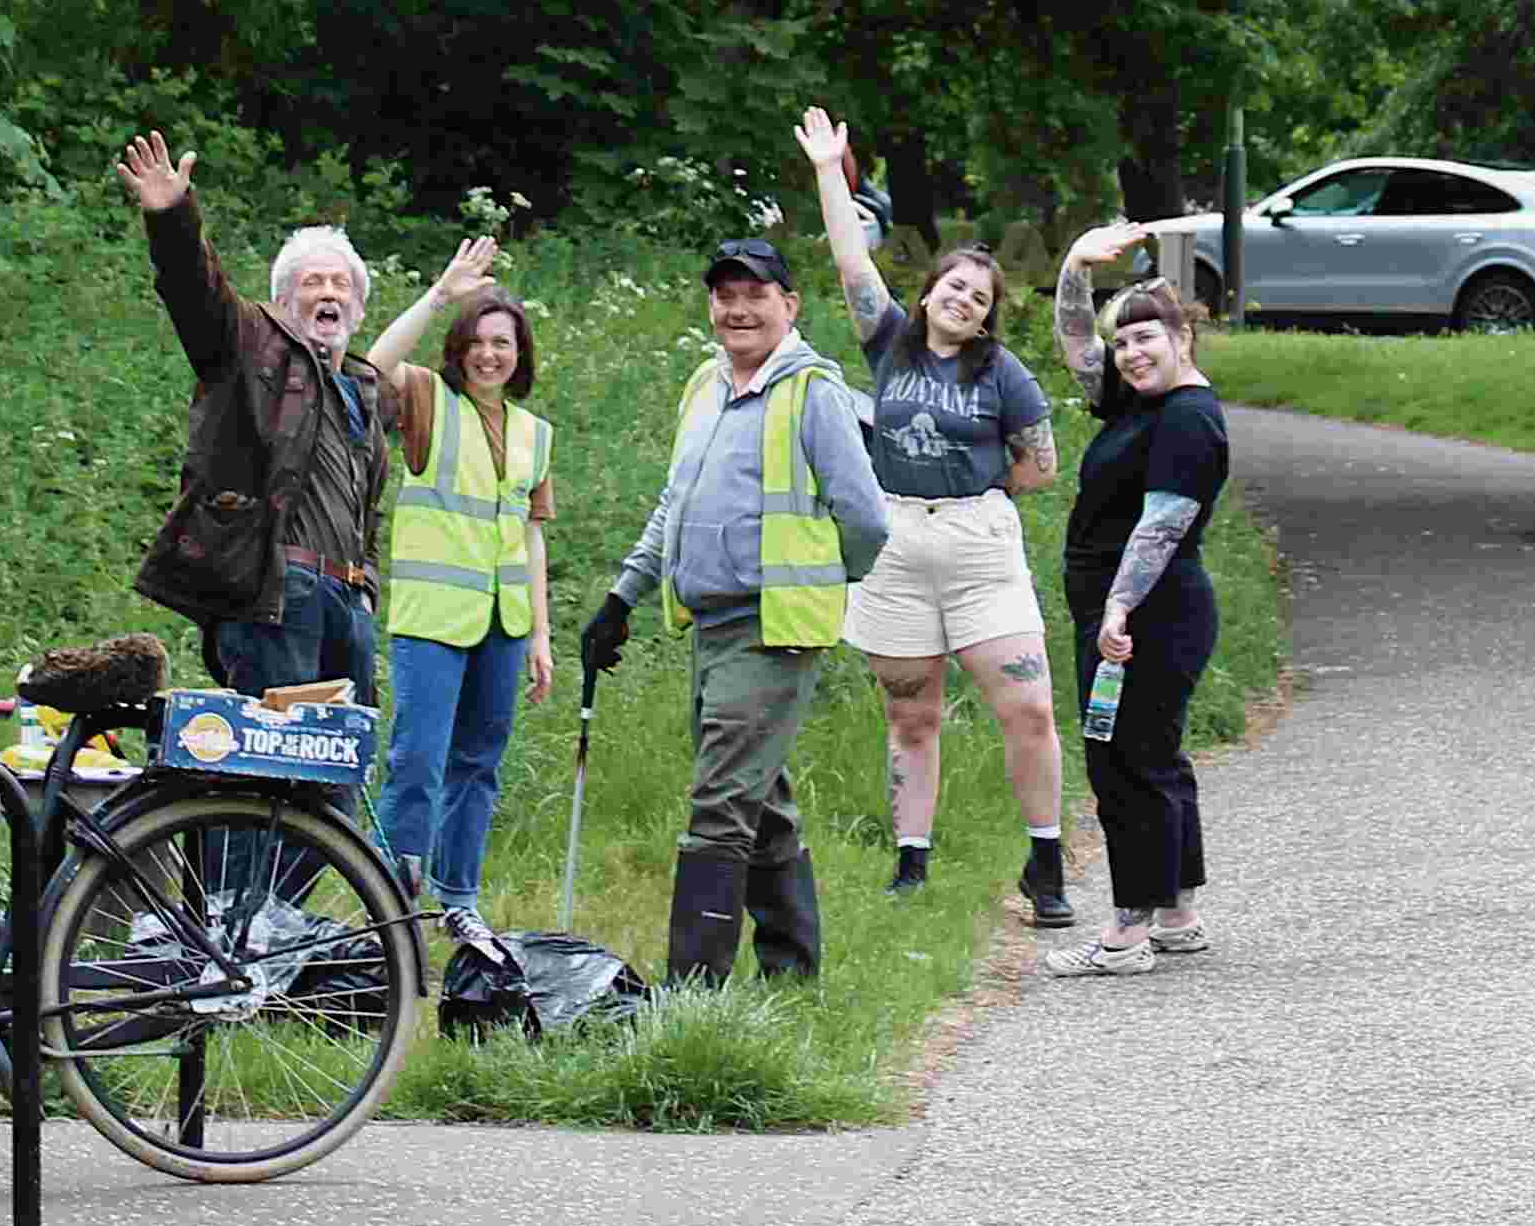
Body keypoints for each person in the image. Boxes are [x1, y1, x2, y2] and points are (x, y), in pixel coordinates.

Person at [581, 237, 890, 985]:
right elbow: (673, 504)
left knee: (720, 802)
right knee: (761, 798)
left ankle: (692, 998)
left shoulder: (813, 389)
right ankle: (791, 970)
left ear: (790, 305)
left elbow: (867, 519)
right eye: (725, 294)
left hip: (772, 629)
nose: (738, 308)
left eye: (756, 293)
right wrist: (621, 597)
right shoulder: (704, 386)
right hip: (710, 626)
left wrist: (823, 580)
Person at [794, 108, 1070, 921]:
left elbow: (1040, 466)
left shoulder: (1004, 372)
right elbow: (851, 261)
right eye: (952, 285)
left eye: (978, 296)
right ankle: (911, 863)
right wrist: (828, 170)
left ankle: (1046, 863)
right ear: (927, 293)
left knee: (1028, 705)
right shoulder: (889, 344)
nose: (962, 299)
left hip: (979, 544)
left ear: (988, 315)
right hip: (896, 544)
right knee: (911, 714)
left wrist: (976, 495)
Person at [118, 130, 389, 725]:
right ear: (282, 301)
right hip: (277, 600)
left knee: (337, 793)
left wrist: (365, 584)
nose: (327, 293)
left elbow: (368, 510)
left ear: (360, 310)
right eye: (311, 282)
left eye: (341, 285)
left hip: (348, 608)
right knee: (269, 789)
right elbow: (197, 294)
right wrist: (172, 218)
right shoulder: (253, 347)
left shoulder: (364, 390)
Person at [1047, 223, 1230, 976]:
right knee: (1155, 757)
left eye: (1146, 337)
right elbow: (1073, 346)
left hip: (1146, 614)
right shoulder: (1139, 401)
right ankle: (1177, 915)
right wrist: (1073, 268)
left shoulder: (1188, 418)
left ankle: (1126, 932)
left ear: (1183, 334)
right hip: (1135, 611)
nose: (1129, 353)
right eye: (1123, 342)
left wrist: (1117, 612)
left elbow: (1162, 525)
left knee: (1123, 760)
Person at [366, 238, 554, 949]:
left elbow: (532, 537)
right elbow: (371, 364)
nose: (488, 355)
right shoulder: (426, 398)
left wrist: (540, 633)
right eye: (475, 342)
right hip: (432, 620)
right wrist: (439, 292)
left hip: (502, 626)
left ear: (519, 352)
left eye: (502, 343)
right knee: (417, 758)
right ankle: (392, 897)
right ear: (458, 349)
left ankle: (457, 899)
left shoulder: (536, 434)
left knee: (479, 763)